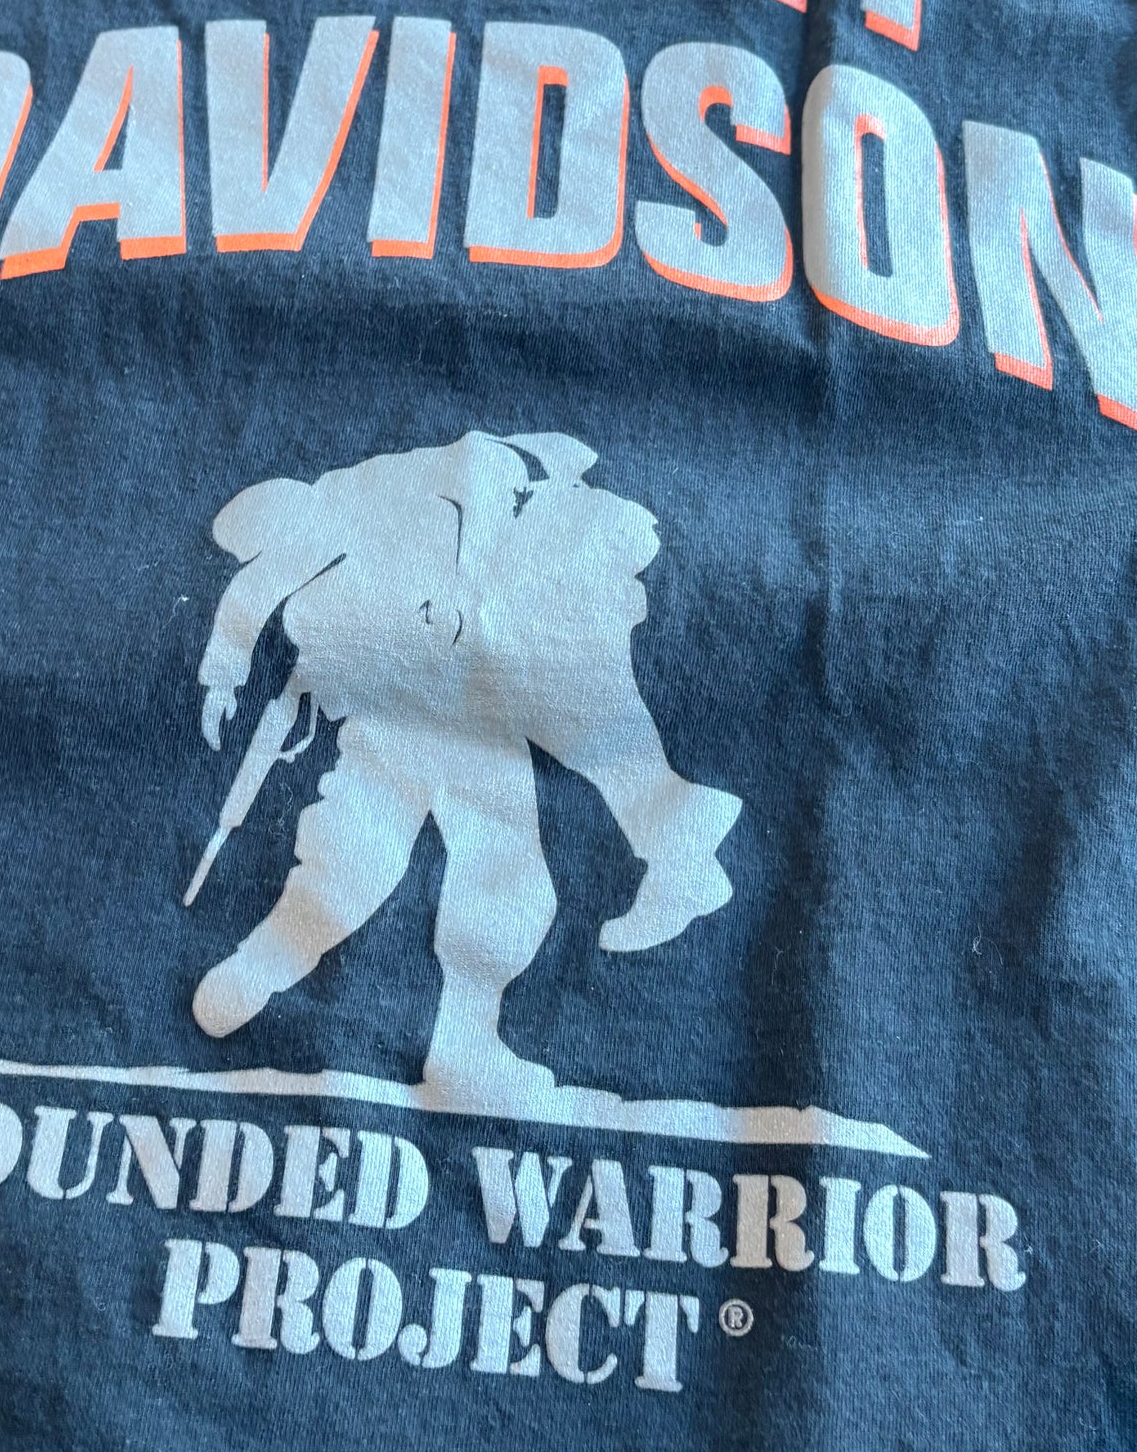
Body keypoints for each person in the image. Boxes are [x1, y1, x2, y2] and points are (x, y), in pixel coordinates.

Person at [190, 430, 741, 1094]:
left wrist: (467, 588)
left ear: (281, 513)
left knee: (488, 873)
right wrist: (227, 677)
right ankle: (268, 976)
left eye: (260, 546)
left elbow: (479, 466)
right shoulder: (348, 526)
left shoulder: (369, 491)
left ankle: (460, 1038)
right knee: (380, 857)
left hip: (470, 697)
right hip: (425, 707)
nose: (267, 562)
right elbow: (264, 589)